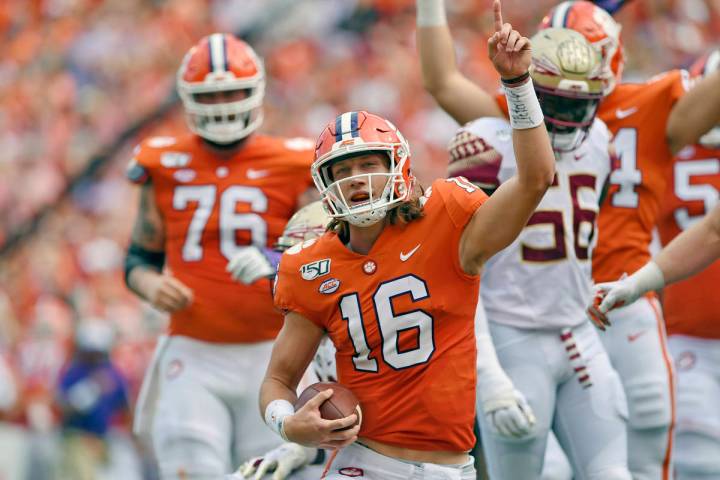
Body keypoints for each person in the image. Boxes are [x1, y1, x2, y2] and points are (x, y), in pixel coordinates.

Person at [416, 0, 720, 477]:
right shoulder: (508, 122)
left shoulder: (633, 117)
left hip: (620, 289)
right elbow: (442, 82)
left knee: (645, 423)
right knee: (538, 454)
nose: (565, 113)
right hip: (532, 305)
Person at [260, 4, 555, 478]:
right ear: (324, 183)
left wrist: (518, 85)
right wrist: (288, 425)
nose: (356, 180)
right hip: (364, 462)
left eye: (368, 165)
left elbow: (536, 179)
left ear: (397, 165)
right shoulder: (311, 265)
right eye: (343, 171)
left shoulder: (447, 218)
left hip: (450, 466)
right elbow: (278, 378)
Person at [440, 22, 631, 479]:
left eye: (578, 104)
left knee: (614, 473)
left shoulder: (602, 139)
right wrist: (488, 373)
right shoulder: (486, 142)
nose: (567, 117)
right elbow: (462, 265)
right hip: (511, 335)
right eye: (557, 102)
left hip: (578, 331)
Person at [124, 33, 315, 479]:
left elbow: (322, 251)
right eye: (212, 95)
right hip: (194, 349)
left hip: (277, 351)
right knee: (190, 462)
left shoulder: (296, 162)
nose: (224, 103)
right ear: (190, 99)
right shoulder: (161, 160)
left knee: (270, 468)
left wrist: (275, 261)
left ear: (256, 92)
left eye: (233, 92)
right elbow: (138, 257)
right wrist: (151, 285)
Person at [235, 204, 532, 480]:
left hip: (434, 449)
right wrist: (295, 440)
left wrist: (495, 386)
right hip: (363, 457)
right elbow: (312, 408)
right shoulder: (309, 323)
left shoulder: (410, 300)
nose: (300, 283)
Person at [590, 53, 720, 479]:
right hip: (688, 334)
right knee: (698, 464)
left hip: (681, 327)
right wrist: (639, 283)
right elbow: (710, 233)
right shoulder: (658, 150)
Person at [56, 320, 131, 480]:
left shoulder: (114, 373)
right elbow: (63, 406)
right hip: (77, 438)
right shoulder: (74, 371)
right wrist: (90, 390)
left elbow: (124, 407)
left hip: (105, 439)